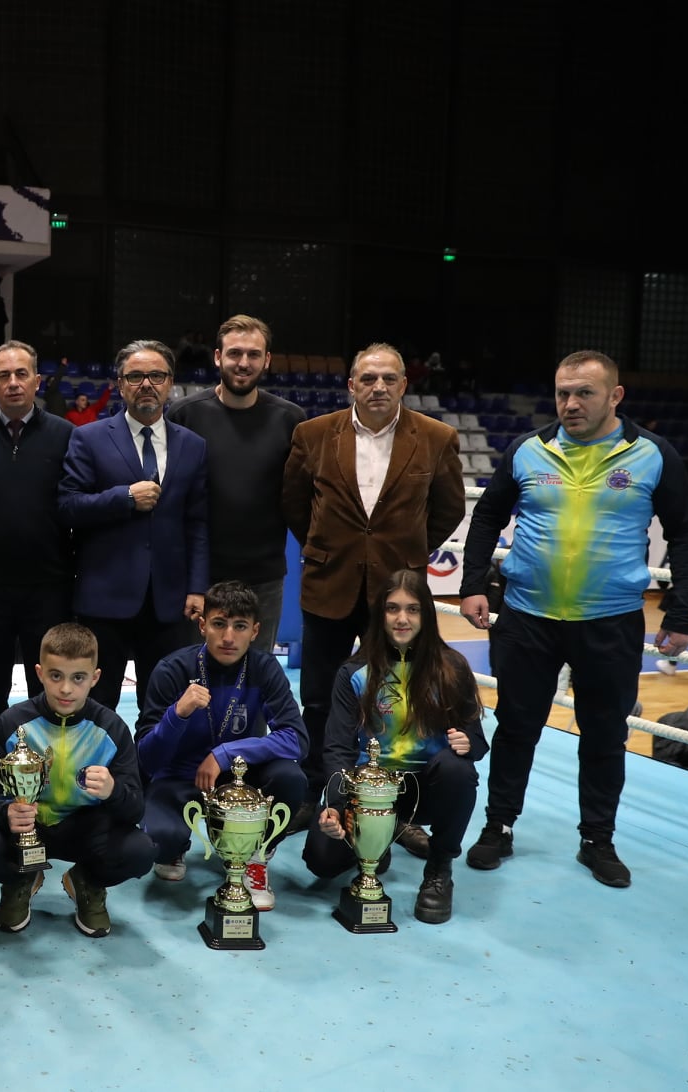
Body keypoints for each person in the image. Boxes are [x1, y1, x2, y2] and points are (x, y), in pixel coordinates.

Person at [461, 351, 688, 888]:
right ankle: (498, 825)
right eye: (562, 393)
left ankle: (598, 838)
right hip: (527, 616)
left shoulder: (652, 455)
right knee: (516, 728)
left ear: (615, 396)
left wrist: (682, 609)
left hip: (611, 620)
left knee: (603, 734)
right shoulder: (530, 449)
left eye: (584, 393)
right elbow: (487, 515)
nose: (570, 404)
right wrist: (472, 584)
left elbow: (686, 534)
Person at [281, 342, 464, 821]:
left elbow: (448, 509)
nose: (378, 387)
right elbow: (295, 504)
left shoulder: (437, 437)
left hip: (399, 594)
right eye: (368, 378)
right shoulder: (313, 434)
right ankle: (318, 793)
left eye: (388, 379)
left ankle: (400, 807)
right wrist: (329, 549)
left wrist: (404, 557)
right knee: (318, 696)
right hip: (329, 585)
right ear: (351, 385)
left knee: (402, 700)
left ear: (404, 384)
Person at [303, 570, 487, 924]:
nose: (402, 618)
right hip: (368, 791)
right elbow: (338, 748)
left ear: (426, 616)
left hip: (428, 790)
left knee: (458, 769)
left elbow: (476, 737)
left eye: (413, 609)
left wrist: (469, 743)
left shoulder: (452, 667)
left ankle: (439, 870)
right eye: (392, 609)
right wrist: (337, 806)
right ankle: (377, 843)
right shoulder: (354, 672)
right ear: (380, 614)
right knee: (322, 862)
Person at [58, 339, 209, 719]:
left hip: (169, 600)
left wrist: (197, 586)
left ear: (169, 382)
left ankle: (155, 778)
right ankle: (94, 776)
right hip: (105, 595)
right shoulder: (88, 437)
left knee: (162, 705)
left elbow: (198, 523)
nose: (147, 384)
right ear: (121, 384)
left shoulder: (193, 445)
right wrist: (124, 498)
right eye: (136, 376)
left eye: (156, 376)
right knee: (97, 704)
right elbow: (68, 507)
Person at [0, 623, 152, 936]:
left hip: (87, 829)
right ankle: (21, 879)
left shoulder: (112, 728)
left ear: (94, 678)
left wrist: (113, 790)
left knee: (141, 850)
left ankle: (88, 882)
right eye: (56, 676)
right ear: (39, 673)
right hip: (28, 829)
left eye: (77, 678)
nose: (66, 689)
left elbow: (135, 809)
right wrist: (5, 812)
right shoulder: (12, 722)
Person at [136, 581, 306, 910]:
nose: (228, 637)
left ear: (255, 631)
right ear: (203, 626)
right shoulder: (173, 670)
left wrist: (225, 754)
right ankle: (174, 846)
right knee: (156, 842)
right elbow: (145, 757)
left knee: (291, 777)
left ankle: (256, 852)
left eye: (240, 626)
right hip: (180, 777)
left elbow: (296, 739)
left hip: (242, 780)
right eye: (219, 624)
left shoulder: (264, 668)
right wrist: (178, 714)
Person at [0, 341, 75, 744]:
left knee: (49, 689)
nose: (13, 383)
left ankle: (44, 773)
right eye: (4, 375)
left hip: (49, 587)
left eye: (21, 374)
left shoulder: (66, 435)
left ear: (37, 381)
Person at [166, 315, 305, 645]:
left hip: (265, 578)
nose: (243, 363)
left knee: (256, 680)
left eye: (253, 354)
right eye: (234, 353)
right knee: (194, 680)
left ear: (266, 360)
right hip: (198, 579)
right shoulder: (184, 415)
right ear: (217, 357)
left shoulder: (290, 420)